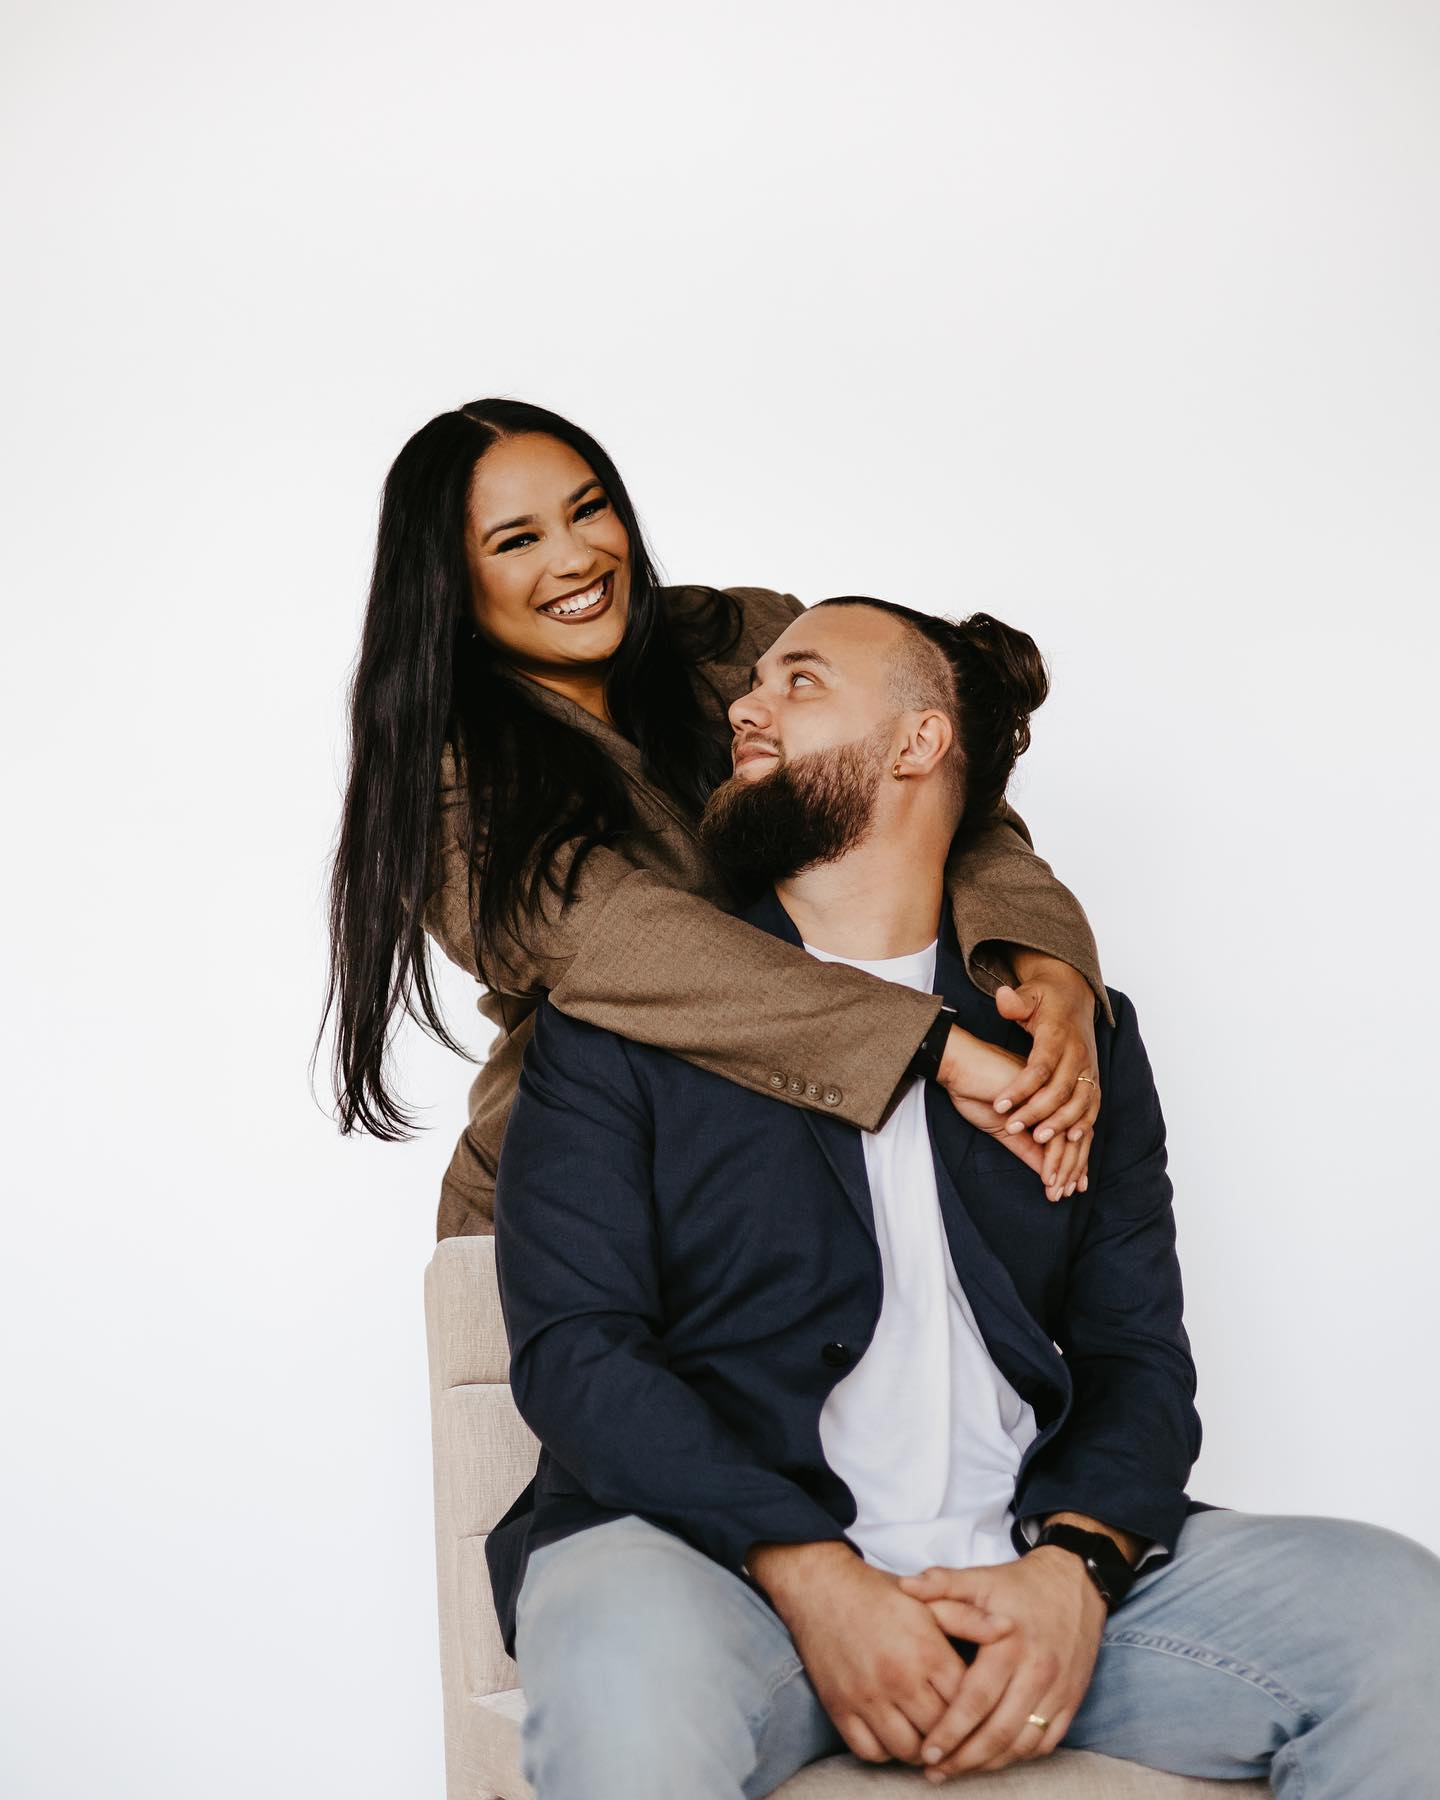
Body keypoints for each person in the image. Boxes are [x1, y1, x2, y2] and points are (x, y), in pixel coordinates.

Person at [490, 597, 1440, 1799]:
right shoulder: (626, 1017)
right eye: (754, 683)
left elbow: (1136, 1354)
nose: (745, 704)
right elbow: (578, 1355)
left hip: (1015, 1567)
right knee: (621, 1663)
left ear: (918, 744)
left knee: (1398, 1613)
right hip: (715, 1573)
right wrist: (814, 1573)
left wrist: (1076, 1573)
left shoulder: (1064, 1040)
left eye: (801, 683)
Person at [321, 398, 1111, 1238]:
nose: (578, 557)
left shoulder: (743, 641)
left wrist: (1051, 969)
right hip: (573, 1208)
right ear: (449, 580)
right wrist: (934, 1050)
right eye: (518, 541)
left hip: (800, 1193)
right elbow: (628, 943)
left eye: (590, 509)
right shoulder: (448, 784)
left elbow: (937, 776)